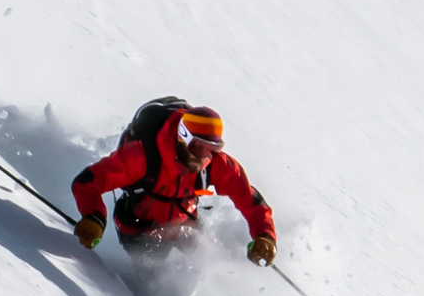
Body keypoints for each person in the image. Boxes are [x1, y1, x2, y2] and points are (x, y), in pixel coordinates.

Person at [69, 104, 276, 264]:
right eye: (198, 147)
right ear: (183, 138)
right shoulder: (141, 156)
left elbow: (249, 198)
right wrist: (94, 218)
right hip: (139, 227)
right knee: (157, 268)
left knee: (206, 258)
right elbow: (88, 182)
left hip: (183, 221)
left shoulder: (216, 163)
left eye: (213, 148)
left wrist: (265, 236)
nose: (205, 156)